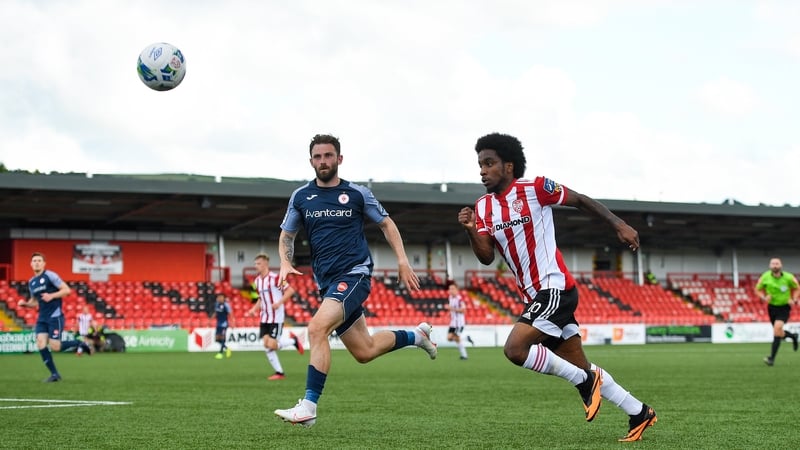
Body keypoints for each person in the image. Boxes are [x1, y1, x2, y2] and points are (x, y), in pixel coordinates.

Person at [457, 133, 656, 442]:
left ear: (508, 166)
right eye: (480, 164)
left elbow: (581, 200)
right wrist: (471, 231)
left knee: (514, 349)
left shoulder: (535, 188)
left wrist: (619, 224)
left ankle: (583, 382)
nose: (482, 170)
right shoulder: (483, 207)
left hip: (555, 288)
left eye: (489, 163)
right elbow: (485, 257)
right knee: (581, 365)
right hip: (534, 295)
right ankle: (639, 412)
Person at [274, 134, 437, 427]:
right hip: (326, 283)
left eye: (328, 155)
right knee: (366, 350)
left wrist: (402, 260)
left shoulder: (358, 194)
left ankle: (309, 405)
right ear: (311, 161)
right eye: (318, 157)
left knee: (316, 328)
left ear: (339, 159)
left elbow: (386, 223)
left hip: (354, 275)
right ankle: (417, 336)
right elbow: (288, 234)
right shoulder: (301, 197)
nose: (323, 161)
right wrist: (285, 261)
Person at [17, 252, 90, 382]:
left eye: (39, 260)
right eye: (34, 261)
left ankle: (80, 343)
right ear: (31, 264)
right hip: (42, 318)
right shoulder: (32, 282)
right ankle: (55, 374)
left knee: (55, 347)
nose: (37, 262)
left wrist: (52, 296)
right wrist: (26, 304)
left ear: (44, 263)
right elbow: (35, 301)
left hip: (55, 316)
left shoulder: (50, 276)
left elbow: (66, 290)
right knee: (41, 343)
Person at [245, 253, 305, 379]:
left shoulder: (276, 277)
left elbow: (290, 290)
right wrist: (253, 309)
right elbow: (261, 298)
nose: (256, 266)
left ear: (266, 264)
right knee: (267, 345)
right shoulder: (257, 281)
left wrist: (279, 303)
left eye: (259, 263)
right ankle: (279, 373)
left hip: (276, 317)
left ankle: (293, 341)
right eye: (255, 264)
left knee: (271, 345)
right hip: (264, 317)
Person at [755, 257, 799, 366]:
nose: (775, 265)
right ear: (770, 266)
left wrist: (794, 298)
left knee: (777, 329)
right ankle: (793, 336)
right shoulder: (765, 277)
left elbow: (797, 287)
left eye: (777, 263)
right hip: (772, 307)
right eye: (773, 263)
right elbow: (757, 289)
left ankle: (771, 359)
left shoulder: (789, 277)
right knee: (778, 332)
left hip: (784, 307)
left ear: (781, 265)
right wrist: (764, 297)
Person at [446, 282, 469, 360]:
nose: (451, 290)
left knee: (457, 338)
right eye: (450, 289)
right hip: (453, 323)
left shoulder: (459, 299)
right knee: (449, 338)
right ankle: (466, 338)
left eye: (452, 289)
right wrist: (450, 313)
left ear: (457, 290)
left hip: (459, 323)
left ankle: (464, 355)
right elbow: (452, 309)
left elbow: (464, 310)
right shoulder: (450, 297)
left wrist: (452, 309)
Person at [211, 293, 234, 359]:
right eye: (218, 297)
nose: (219, 298)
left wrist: (232, 323)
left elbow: (230, 314)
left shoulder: (226, 305)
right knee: (217, 339)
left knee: (222, 337)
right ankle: (227, 348)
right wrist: (212, 317)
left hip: (224, 324)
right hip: (218, 324)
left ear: (224, 298)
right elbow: (216, 312)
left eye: (221, 297)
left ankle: (220, 353)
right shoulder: (216, 304)